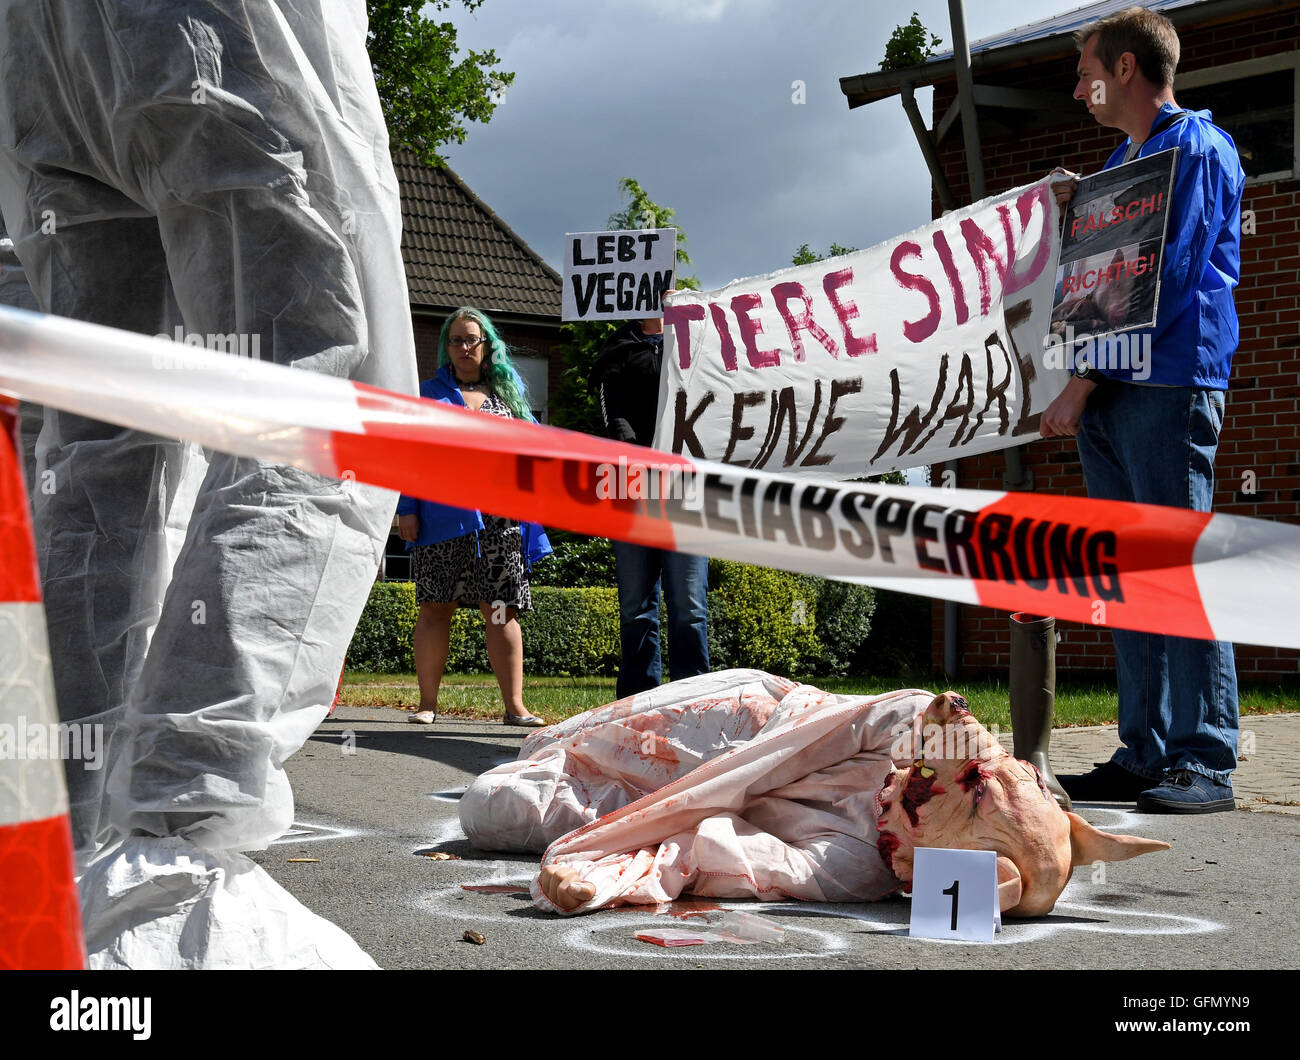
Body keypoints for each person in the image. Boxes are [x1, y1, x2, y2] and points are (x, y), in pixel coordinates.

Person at [0, 0, 418, 966]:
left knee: (99, 450)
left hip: (33, 47)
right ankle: (171, 864)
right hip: (210, 29)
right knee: (328, 393)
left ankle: (61, 844)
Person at [1041, 7, 1244, 813]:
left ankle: (1206, 758)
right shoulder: (1123, 164)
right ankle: (1146, 750)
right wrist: (1078, 207)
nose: (1079, 81)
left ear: (1126, 68)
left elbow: (1165, 273)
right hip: (1116, 387)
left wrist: (1081, 382)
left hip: (1164, 383)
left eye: (1088, 64)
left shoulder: (1194, 146)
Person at [397, 308, 551, 727]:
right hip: (441, 517)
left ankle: (515, 707)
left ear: (487, 346)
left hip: (502, 522)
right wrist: (406, 508)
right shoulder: (426, 393)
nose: (465, 348)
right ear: (446, 347)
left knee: (501, 610)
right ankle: (428, 704)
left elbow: (534, 452)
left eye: (472, 340)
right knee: (434, 608)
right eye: (456, 340)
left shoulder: (511, 394)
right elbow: (408, 454)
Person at [589, 316, 709, 698]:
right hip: (632, 486)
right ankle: (638, 703)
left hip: (687, 491)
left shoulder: (701, 342)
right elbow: (612, 411)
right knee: (636, 606)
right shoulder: (617, 346)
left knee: (689, 606)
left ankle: (692, 702)